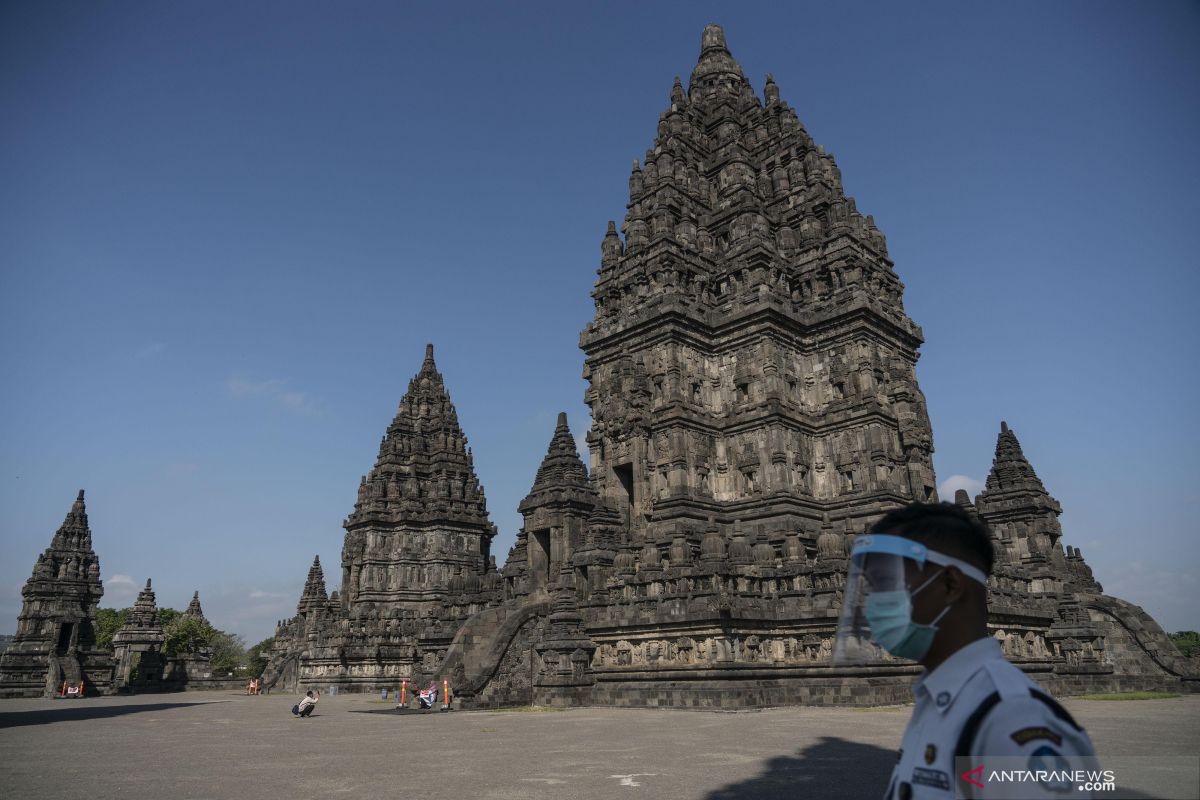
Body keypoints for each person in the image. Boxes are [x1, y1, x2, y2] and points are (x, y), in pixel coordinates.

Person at [833, 502, 1098, 799]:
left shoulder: (1011, 719)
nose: (873, 602)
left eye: (886, 582)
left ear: (950, 584)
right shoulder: (936, 703)